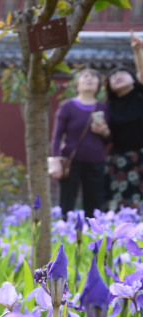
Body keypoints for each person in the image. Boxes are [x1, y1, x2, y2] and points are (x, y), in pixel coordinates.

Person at [50, 68, 110, 217]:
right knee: (66, 203)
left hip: (96, 162)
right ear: (77, 84)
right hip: (71, 161)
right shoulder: (67, 106)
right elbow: (57, 135)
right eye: (85, 76)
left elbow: (110, 139)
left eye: (93, 77)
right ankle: (64, 234)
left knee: (94, 205)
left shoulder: (104, 108)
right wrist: (56, 159)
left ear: (99, 85)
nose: (89, 79)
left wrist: (103, 132)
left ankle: (92, 236)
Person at [104, 31, 143, 211]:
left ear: (133, 80)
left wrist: (137, 52)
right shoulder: (107, 108)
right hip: (120, 161)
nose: (117, 76)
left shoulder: (140, 95)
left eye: (122, 73)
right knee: (119, 206)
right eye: (113, 76)